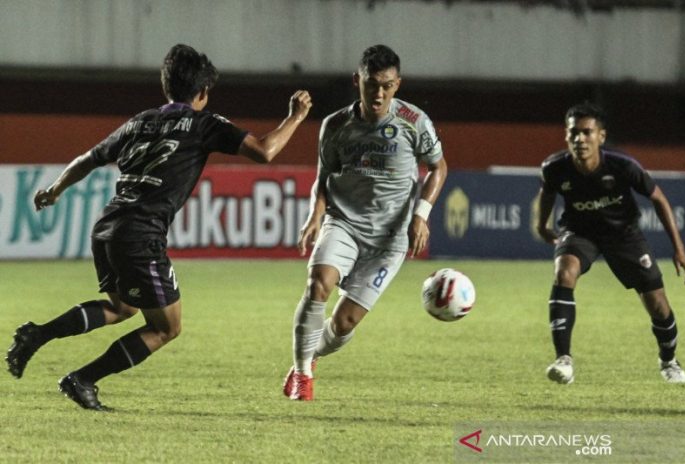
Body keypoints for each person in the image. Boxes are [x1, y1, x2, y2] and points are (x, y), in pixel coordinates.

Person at [5, 44, 312, 410]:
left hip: (107, 227)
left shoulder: (140, 121)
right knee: (167, 327)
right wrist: (295, 117)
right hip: (140, 233)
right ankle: (82, 379)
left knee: (123, 309)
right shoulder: (204, 123)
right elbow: (264, 151)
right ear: (202, 92)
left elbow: (88, 159)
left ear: (166, 86)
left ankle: (38, 334)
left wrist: (55, 190)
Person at [282, 44, 448, 401]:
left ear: (398, 84)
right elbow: (324, 177)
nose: (379, 93)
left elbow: (439, 167)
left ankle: (307, 357)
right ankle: (302, 375)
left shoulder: (413, 121)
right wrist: (315, 215)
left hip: (390, 238)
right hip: (345, 223)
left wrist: (421, 215)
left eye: (387, 85)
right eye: (372, 84)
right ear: (357, 80)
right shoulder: (336, 125)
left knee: (344, 324)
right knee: (318, 284)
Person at [535, 102, 685, 385]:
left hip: (623, 234)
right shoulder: (555, 167)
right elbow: (547, 192)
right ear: (566, 136)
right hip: (579, 231)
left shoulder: (623, 166)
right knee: (564, 271)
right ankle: (564, 360)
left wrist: (679, 249)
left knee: (657, 305)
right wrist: (541, 225)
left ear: (601, 137)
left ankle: (668, 360)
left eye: (587, 133)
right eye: (574, 133)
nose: (580, 139)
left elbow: (658, 198)